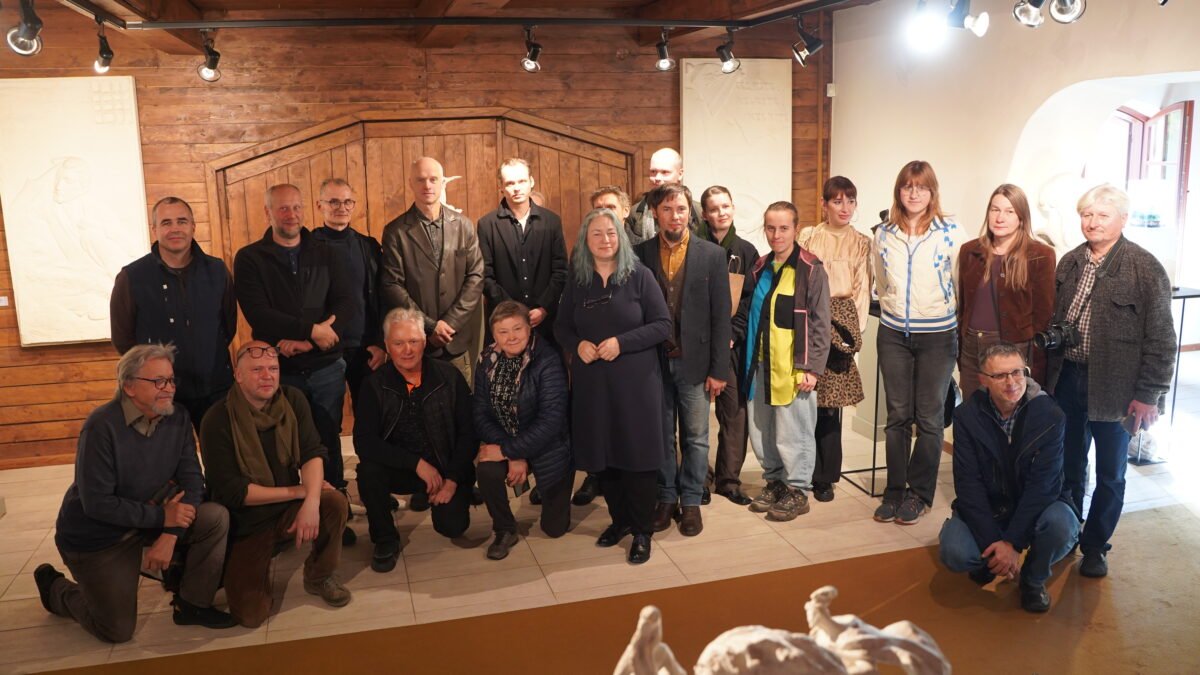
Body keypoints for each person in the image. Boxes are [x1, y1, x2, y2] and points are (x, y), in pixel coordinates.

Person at [34, 345, 235, 643]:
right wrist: (161, 517)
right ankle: (56, 589)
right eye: (158, 381)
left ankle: (192, 604)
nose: (169, 388)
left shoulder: (177, 417)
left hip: (149, 520)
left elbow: (193, 481)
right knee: (115, 630)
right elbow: (97, 504)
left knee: (215, 517)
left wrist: (170, 534)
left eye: (171, 380)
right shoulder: (101, 426)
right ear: (129, 386)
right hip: (100, 536)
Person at [1045, 184, 1175, 578]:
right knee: (1068, 465)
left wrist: (1148, 395)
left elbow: (1162, 339)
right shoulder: (1070, 262)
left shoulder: (1144, 267)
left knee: (1111, 474)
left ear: (1123, 219)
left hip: (1118, 390)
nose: (1093, 222)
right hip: (1068, 379)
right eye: (1087, 215)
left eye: (1102, 215)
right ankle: (1067, 533)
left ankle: (1096, 546)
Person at [233, 183, 358, 545]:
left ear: (306, 209)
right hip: (278, 369)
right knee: (281, 444)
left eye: (296, 207)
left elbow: (347, 302)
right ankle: (287, 516)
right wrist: (310, 329)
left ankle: (335, 515)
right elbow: (258, 313)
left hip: (325, 366)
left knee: (326, 439)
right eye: (283, 208)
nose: (291, 215)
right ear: (268, 212)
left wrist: (310, 339)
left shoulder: (326, 251)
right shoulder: (250, 258)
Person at [200, 342, 351, 627]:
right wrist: (301, 491)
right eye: (257, 369)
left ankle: (320, 575)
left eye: (273, 368)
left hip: (285, 510)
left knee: (333, 501)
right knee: (251, 616)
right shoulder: (217, 419)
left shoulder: (292, 400)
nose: (267, 376)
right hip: (246, 523)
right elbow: (234, 491)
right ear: (238, 375)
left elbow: (312, 452)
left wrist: (311, 502)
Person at [556, 208, 671, 564]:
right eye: (597, 234)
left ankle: (642, 531)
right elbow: (561, 327)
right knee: (603, 457)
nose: (605, 240)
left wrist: (622, 342)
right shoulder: (577, 281)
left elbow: (662, 325)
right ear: (585, 241)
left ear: (620, 237)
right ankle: (620, 521)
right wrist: (577, 344)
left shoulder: (640, 276)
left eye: (610, 233)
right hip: (593, 386)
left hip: (636, 385)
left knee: (637, 457)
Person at [940, 342, 1081, 613]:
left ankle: (1033, 580)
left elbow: (1044, 486)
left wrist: (1013, 543)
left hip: (1040, 505)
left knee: (1061, 525)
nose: (1012, 382)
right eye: (1000, 375)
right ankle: (991, 560)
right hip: (992, 506)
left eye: (1017, 372)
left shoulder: (1050, 415)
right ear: (983, 380)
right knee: (955, 552)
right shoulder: (966, 416)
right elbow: (968, 484)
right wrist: (994, 544)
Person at [871, 161, 967, 525]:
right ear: (899, 191)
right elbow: (881, 281)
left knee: (929, 417)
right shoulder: (884, 233)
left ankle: (919, 493)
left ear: (932, 192)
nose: (914, 194)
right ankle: (894, 491)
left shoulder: (951, 232)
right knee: (897, 416)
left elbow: (960, 281)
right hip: (894, 333)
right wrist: (894, 307)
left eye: (922, 187)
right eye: (908, 187)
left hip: (938, 335)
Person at [634, 184, 730, 536]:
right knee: (661, 436)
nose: (675, 216)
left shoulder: (712, 255)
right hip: (653, 363)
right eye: (667, 209)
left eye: (681, 209)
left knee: (696, 436)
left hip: (696, 362)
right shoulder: (640, 254)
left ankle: (690, 500)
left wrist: (719, 370)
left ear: (690, 213)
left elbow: (721, 317)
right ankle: (665, 497)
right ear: (655, 213)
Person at [353, 308, 475, 573]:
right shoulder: (374, 385)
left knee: (453, 526)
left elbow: (469, 433)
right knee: (368, 471)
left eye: (414, 341)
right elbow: (364, 442)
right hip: (403, 468)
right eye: (398, 343)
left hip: (444, 468)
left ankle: (463, 490)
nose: (407, 350)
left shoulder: (449, 376)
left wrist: (452, 480)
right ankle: (385, 539)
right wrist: (416, 463)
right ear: (387, 346)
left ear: (424, 342)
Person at [736, 202, 830, 522]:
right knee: (762, 429)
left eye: (784, 228)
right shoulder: (760, 267)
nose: (776, 235)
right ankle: (775, 482)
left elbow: (820, 323)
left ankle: (798, 490)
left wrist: (812, 368)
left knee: (794, 432)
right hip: (759, 363)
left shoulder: (811, 269)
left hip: (794, 368)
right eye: (771, 228)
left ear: (796, 229)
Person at [109, 197, 236, 432]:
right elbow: (123, 339)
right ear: (154, 230)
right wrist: (153, 376)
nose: (175, 228)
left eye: (182, 221)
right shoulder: (132, 277)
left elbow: (228, 327)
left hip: (215, 388)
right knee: (165, 455)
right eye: (166, 223)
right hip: (158, 394)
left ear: (193, 226)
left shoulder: (217, 270)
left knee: (222, 453)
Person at [474, 301, 572, 560]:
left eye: (517, 328)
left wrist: (509, 451)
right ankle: (505, 528)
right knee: (486, 468)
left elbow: (550, 422)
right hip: (508, 441)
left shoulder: (548, 360)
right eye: (503, 331)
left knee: (554, 529)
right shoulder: (486, 360)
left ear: (529, 329)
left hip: (549, 448)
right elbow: (480, 414)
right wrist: (511, 454)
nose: (511, 337)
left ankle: (545, 489)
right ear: (494, 335)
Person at [797, 177, 872, 503]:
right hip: (809, 318)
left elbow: (862, 290)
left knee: (830, 407)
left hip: (841, 323)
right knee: (804, 401)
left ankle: (825, 476)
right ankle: (801, 469)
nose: (845, 208)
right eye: (838, 201)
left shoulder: (861, 242)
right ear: (824, 204)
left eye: (850, 201)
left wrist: (850, 335)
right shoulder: (809, 236)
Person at [380, 156, 485, 388]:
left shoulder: (464, 225)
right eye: (420, 180)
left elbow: (476, 277)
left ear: (442, 182)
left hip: (456, 339)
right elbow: (392, 284)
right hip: (418, 342)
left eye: (433, 179)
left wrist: (450, 323)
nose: (427, 185)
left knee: (460, 405)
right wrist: (429, 326)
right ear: (411, 183)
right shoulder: (396, 231)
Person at [957, 184, 1056, 398]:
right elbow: (962, 306)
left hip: (1013, 348)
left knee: (1010, 412)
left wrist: (1037, 364)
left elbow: (1043, 317)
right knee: (973, 409)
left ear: (1021, 217)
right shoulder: (969, 251)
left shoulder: (1040, 255)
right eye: (995, 210)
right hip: (972, 347)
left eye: (1009, 211)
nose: (1000, 218)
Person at [700, 186, 759, 506]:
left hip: (731, 344)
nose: (721, 212)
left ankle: (728, 479)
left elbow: (750, 300)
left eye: (725, 206)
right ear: (705, 214)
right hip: (696, 344)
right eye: (714, 208)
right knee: (693, 415)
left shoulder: (746, 251)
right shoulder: (693, 246)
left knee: (734, 413)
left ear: (733, 208)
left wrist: (733, 333)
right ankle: (697, 476)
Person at [478, 158, 568, 349]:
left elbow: (560, 271)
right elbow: (485, 276)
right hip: (504, 323)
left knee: (549, 368)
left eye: (521, 181)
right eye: (510, 183)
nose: (516, 188)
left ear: (531, 182)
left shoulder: (552, 221)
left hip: (546, 323)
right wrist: (513, 312)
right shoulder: (487, 225)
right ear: (501, 187)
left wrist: (544, 308)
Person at [310, 178, 386, 404]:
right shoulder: (306, 247)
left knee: (370, 415)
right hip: (323, 351)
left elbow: (382, 297)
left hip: (366, 348)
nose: (341, 208)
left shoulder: (369, 246)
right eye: (333, 202)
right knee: (327, 418)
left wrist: (381, 343)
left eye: (347, 202)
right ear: (319, 205)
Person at [624, 148, 705, 245]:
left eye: (665, 172)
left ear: (680, 174)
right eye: (653, 172)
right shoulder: (635, 213)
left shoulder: (699, 211)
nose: (657, 178)